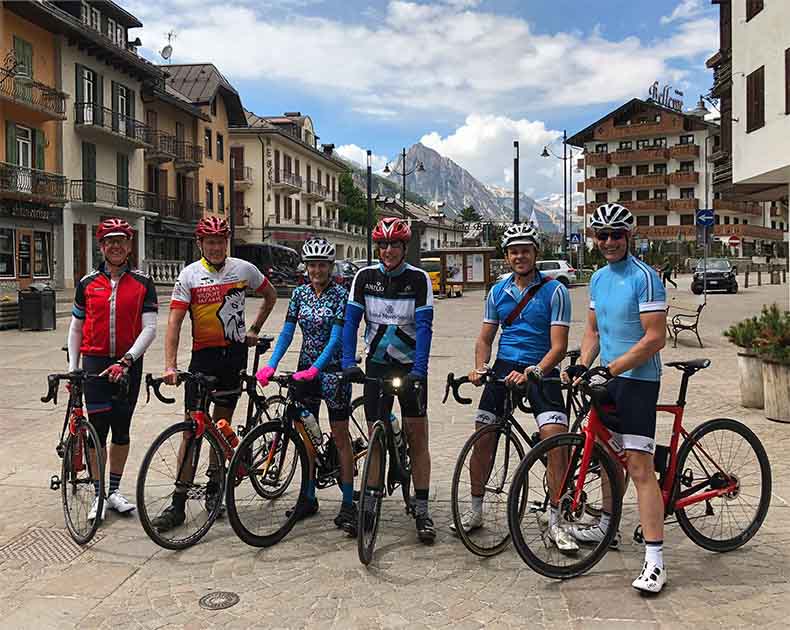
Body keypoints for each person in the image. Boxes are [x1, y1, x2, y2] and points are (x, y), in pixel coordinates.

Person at [562, 203, 668, 594]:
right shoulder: (599, 279)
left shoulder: (646, 277)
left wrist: (613, 368)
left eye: (615, 235)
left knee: (640, 469)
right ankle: (609, 527)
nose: (608, 242)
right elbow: (592, 329)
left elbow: (654, 337)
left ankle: (655, 561)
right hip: (608, 376)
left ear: (629, 237)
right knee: (608, 460)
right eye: (601, 235)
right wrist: (583, 363)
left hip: (637, 381)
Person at [453, 223, 576, 552]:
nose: (519, 256)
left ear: (536, 253)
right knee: (483, 433)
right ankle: (475, 510)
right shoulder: (498, 291)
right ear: (506, 256)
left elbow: (559, 346)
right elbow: (484, 338)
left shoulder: (555, 291)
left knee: (555, 441)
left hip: (542, 366)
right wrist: (480, 367)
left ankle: (557, 520)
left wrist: (534, 371)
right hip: (506, 365)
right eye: (513, 251)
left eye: (525, 250)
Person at [153, 216, 277, 531]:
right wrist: (170, 365)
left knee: (220, 429)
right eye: (211, 242)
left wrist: (254, 328)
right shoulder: (189, 276)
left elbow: (271, 295)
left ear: (227, 242)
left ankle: (213, 488)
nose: (217, 247)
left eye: (221, 241)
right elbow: (175, 323)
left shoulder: (243, 269)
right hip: (202, 359)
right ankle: (178, 504)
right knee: (190, 431)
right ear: (200, 244)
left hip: (233, 357)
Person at [341, 217, 436, 544]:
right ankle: (368, 507)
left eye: (394, 244)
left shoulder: (419, 279)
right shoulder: (364, 278)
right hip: (377, 368)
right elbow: (351, 324)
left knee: (417, 437)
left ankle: (422, 510)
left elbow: (424, 330)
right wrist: (346, 362)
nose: (388, 250)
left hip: (410, 368)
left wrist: (419, 373)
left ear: (404, 246)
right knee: (375, 438)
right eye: (382, 245)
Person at [256, 238, 357, 533]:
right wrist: (272, 364)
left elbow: (337, 337)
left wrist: (317, 368)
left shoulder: (340, 294)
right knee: (306, 438)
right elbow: (287, 333)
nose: (316, 270)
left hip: (333, 372)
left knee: (340, 437)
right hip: (305, 373)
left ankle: (348, 502)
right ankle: (308, 496)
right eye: (312, 265)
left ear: (330, 267)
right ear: (306, 267)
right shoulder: (299, 294)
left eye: (322, 265)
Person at [68, 218, 158, 521]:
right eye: (109, 241)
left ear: (130, 246)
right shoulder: (87, 283)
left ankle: (115, 490)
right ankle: (99, 493)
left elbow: (149, 329)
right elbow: (76, 327)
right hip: (94, 364)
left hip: (127, 365)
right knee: (97, 431)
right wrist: (73, 368)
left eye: (121, 241)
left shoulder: (144, 283)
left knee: (121, 430)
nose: (115, 246)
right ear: (101, 246)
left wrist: (128, 360)